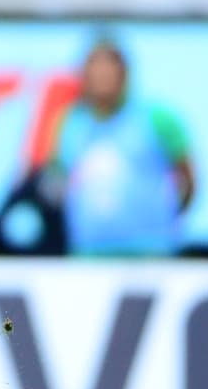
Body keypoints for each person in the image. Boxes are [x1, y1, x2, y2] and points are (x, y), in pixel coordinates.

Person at [49, 38, 196, 256]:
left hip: (150, 252)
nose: (103, 77)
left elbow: (188, 179)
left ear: (124, 74)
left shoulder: (156, 118)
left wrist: (163, 218)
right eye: (95, 69)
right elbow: (59, 181)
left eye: (109, 69)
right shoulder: (70, 123)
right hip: (87, 254)